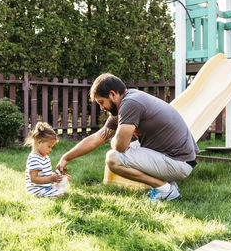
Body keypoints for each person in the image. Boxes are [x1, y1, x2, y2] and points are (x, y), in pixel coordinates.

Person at [56, 73, 199, 201]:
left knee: (113, 158)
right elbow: (96, 138)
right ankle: (168, 187)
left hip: (179, 162)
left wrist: (115, 142)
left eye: (101, 102)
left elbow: (120, 146)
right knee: (129, 149)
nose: (101, 108)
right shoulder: (124, 105)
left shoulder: (131, 103)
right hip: (175, 158)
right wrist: (66, 157)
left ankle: (166, 190)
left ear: (113, 94)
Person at [24, 122, 69, 198]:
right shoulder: (34, 159)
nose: (50, 149)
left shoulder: (45, 157)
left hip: (45, 187)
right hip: (36, 190)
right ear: (39, 142)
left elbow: (46, 173)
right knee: (59, 195)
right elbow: (34, 179)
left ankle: (52, 191)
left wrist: (57, 176)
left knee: (62, 190)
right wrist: (50, 179)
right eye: (49, 146)